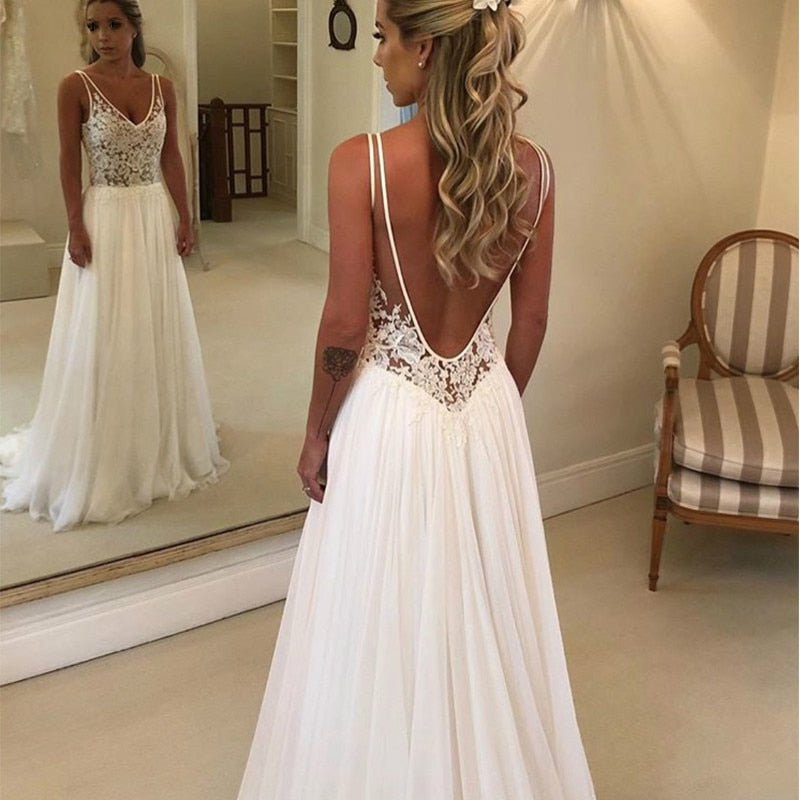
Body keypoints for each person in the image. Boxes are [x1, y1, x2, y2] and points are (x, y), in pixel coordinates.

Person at [237, 1, 595, 797]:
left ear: (424, 48)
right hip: (487, 406)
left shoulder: (360, 161)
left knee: (378, 610)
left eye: (382, 38)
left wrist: (315, 433)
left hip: (390, 412)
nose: (377, 58)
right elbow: (531, 321)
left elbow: (344, 321)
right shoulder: (535, 171)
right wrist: (486, 409)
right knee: (482, 605)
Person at [0, 0, 228, 531]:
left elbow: (171, 156)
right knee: (105, 328)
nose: (102, 35)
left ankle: (154, 432)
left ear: (134, 27)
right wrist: (74, 225)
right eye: (94, 26)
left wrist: (186, 216)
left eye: (113, 24)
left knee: (151, 323)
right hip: (104, 215)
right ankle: (104, 440)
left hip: (151, 213)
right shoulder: (75, 86)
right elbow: (67, 161)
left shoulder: (162, 88)